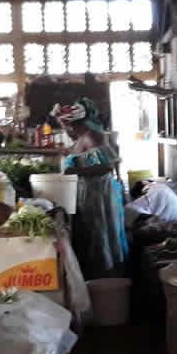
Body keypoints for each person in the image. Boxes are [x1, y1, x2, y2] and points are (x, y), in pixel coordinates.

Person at [54, 99, 128, 279]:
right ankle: (95, 275)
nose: (62, 127)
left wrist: (76, 171)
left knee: (100, 234)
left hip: (99, 194)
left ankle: (108, 277)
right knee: (91, 235)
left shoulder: (93, 136)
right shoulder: (81, 137)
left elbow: (107, 166)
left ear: (70, 122)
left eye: (62, 123)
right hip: (87, 193)